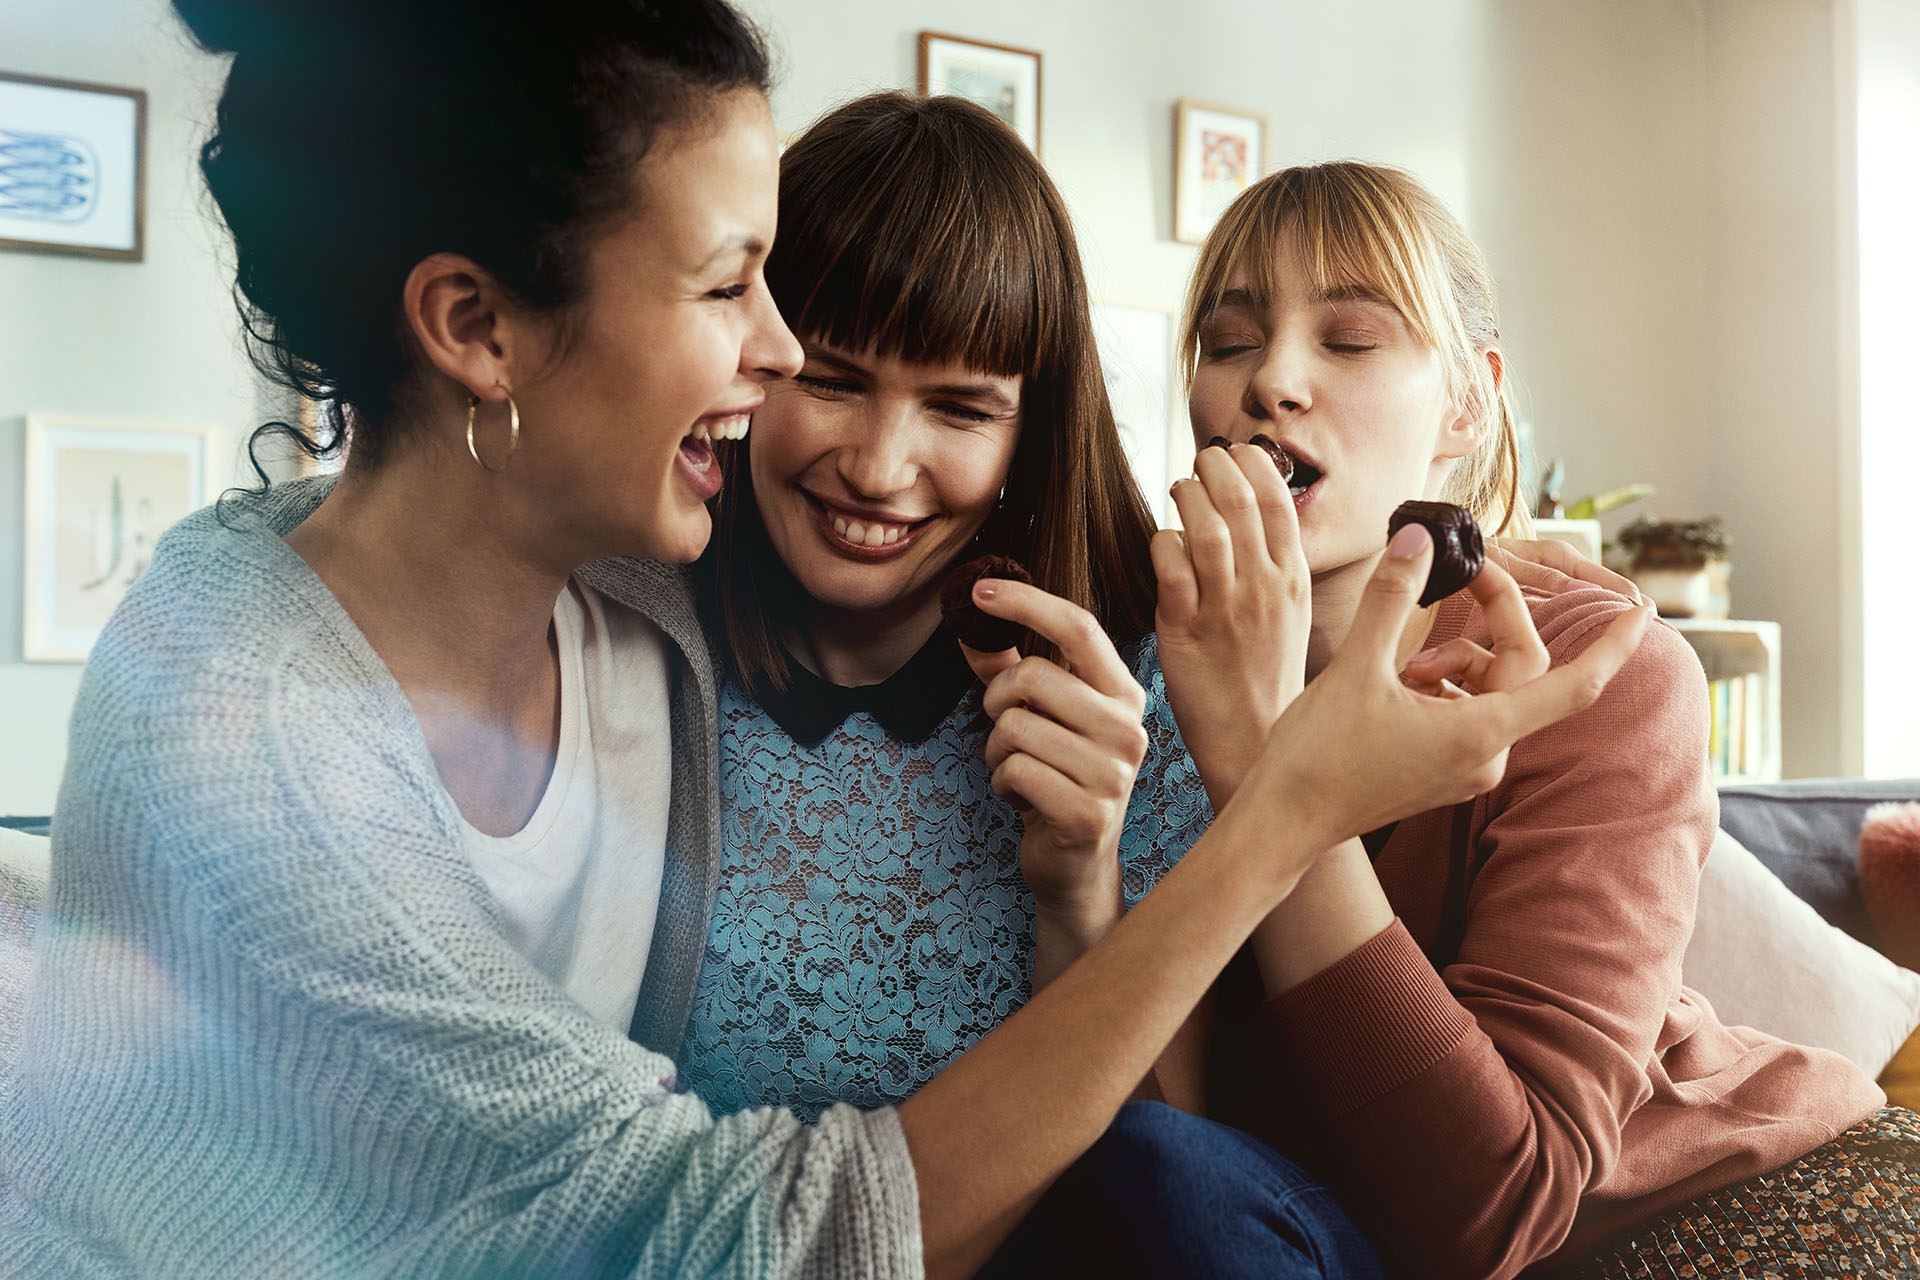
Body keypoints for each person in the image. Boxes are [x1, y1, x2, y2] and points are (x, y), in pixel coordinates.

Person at [0, 8, 1651, 1280]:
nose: (789, 366)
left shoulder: (649, 599)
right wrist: (1281, 803)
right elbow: (730, 1235)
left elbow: (1185, 1194)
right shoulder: (257, 709)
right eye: (739, 292)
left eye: (960, 403)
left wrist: (1095, 867)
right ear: (477, 327)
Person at [1163, 159, 1912, 1280]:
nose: (1271, 379)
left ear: (1465, 402)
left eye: (1350, 340)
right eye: (1229, 340)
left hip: (1738, 1202)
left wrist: (1272, 770)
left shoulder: (1601, 669)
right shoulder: (1145, 650)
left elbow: (1498, 1211)